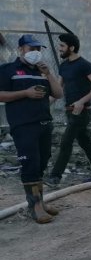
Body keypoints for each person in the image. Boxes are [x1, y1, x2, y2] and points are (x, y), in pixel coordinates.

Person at [0, 35, 63, 223]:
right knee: (30, 164)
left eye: (38, 49)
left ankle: (41, 202)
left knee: (42, 162)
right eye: (31, 49)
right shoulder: (8, 70)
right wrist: (25, 93)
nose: (35, 53)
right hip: (23, 125)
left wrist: (49, 73)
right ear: (21, 50)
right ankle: (34, 206)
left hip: (44, 123)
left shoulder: (41, 70)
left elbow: (58, 93)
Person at [46, 33, 91, 185]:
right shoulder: (64, 66)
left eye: (62, 46)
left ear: (71, 48)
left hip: (82, 111)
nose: (59, 48)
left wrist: (81, 101)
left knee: (66, 142)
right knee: (85, 141)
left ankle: (55, 177)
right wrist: (45, 104)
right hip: (69, 111)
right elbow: (58, 91)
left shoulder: (84, 65)